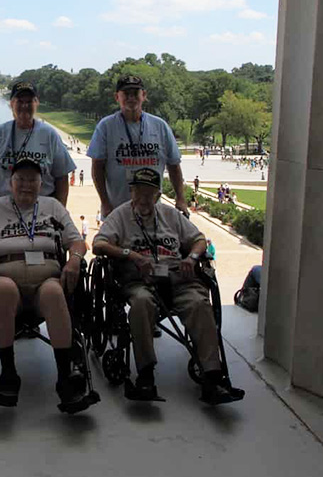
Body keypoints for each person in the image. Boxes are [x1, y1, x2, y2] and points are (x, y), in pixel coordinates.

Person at [0, 157, 93, 413]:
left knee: (54, 292)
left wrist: (73, 261)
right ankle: (9, 374)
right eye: (21, 180)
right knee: (4, 289)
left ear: (41, 184)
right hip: (4, 276)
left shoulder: (52, 207)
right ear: (10, 183)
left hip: (46, 277)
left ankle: (65, 379)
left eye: (33, 180)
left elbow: (77, 242)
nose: (27, 185)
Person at [92, 168, 240, 405]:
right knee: (141, 304)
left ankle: (213, 376)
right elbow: (98, 244)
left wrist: (191, 258)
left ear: (158, 195)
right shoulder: (120, 216)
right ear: (131, 192)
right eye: (138, 193)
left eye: (149, 194)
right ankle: (145, 373)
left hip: (177, 278)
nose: (143, 199)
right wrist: (131, 255)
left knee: (199, 303)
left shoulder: (171, 215)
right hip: (140, 280)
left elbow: (199, 239)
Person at [88, 75, 188, 220]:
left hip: (153, 211)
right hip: (117, 211)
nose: (131, 98)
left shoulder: (160, 126)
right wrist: (104, 202)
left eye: (135, 93)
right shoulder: (106, 127)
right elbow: (97, 167)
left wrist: (180, 198)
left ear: (144, 95)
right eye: (126, 94)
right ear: (117, 97)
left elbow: (174, 165)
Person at [0, 81, 76, 207]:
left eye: (29, 102)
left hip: (42, 208)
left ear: (36, 103)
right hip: (5, 207)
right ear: (11, 104)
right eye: (20, 101)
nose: (25, 106)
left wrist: (58, 211)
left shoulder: (50, 135)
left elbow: (62, 177)